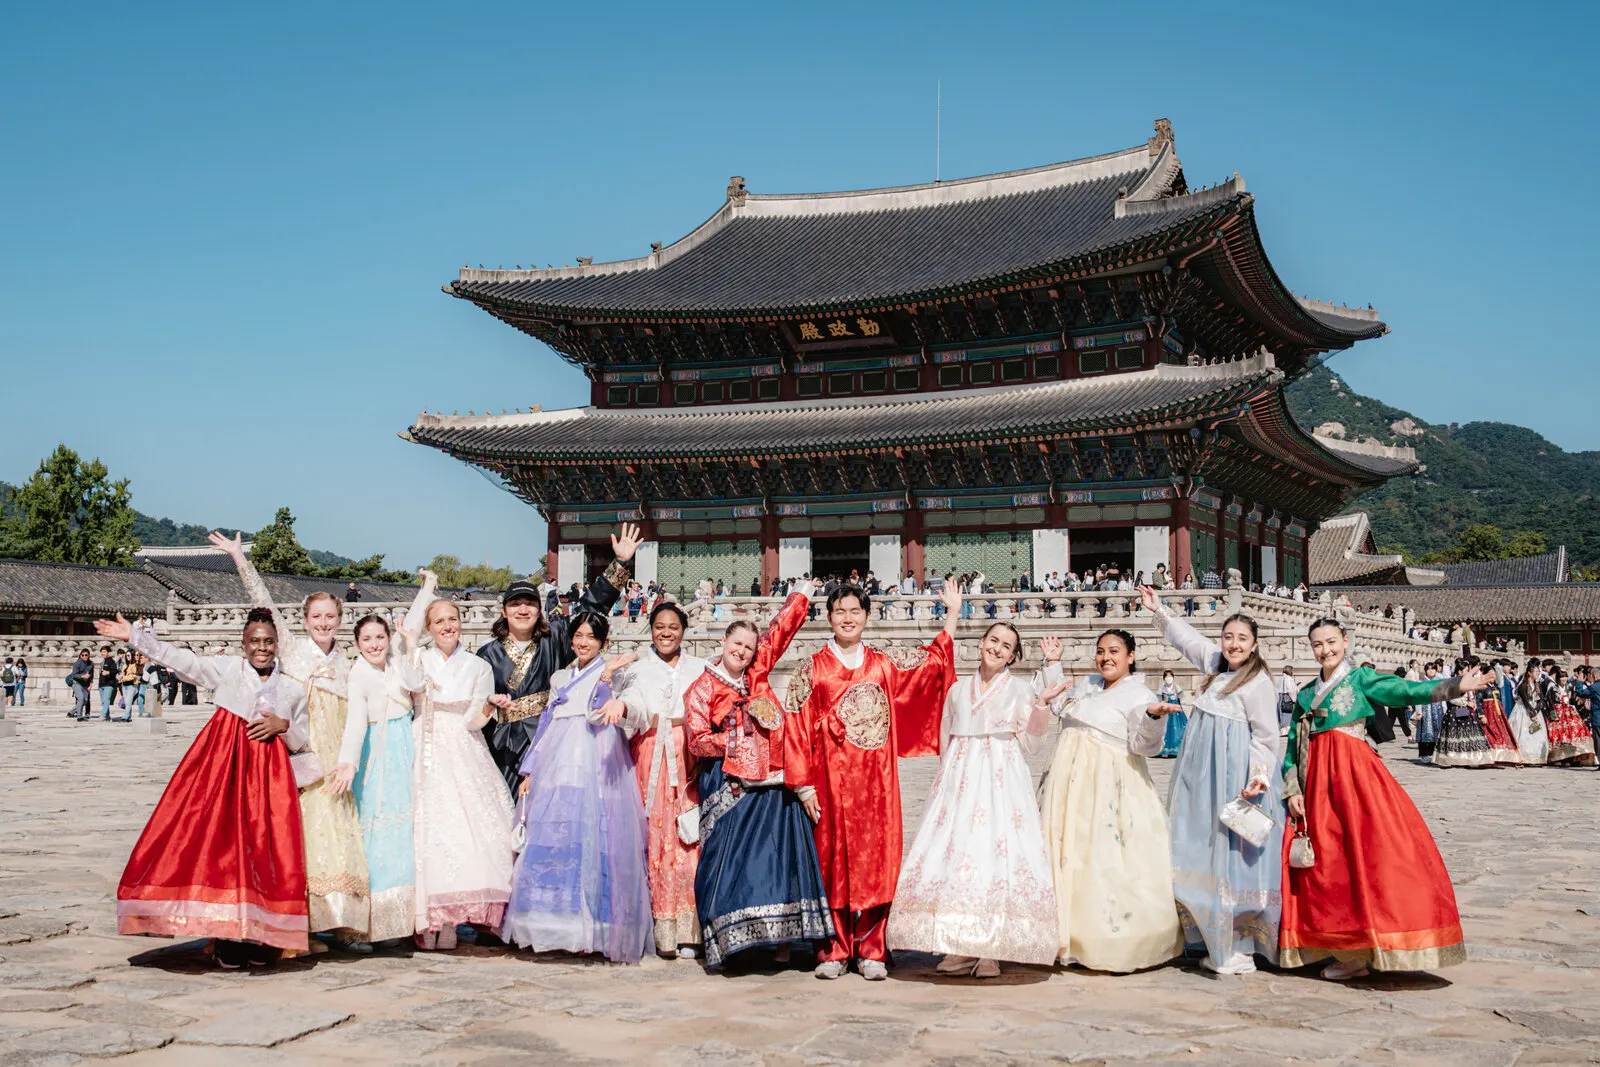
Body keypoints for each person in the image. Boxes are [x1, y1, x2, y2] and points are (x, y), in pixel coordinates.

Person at [96, 609, 309, 967]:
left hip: (270, 781)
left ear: (277, 645)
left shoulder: (291, 688)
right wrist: (134, 635)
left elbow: (302, 738)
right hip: (223, 771)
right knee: (223, 848)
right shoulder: (227, 671)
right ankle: (225, 936)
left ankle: (261, 936)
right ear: (244, 645)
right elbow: (183, 660)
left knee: (264, 851)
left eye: (268, 641)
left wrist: (283, 725)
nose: (262, 648)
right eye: (255, 641)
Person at [1282, 618, 1489, 979]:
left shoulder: (1360, 679)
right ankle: (1341, 944)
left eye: (1332, 642)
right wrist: (1294, 789)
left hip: (1354, 776)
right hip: (1316, 781)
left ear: (1345, 642)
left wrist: (1455, 685)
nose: (1325, 650)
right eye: (1318, 644)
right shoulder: (1304, 694)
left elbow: (1404, 692)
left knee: (1372, 854)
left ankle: (1374, 945)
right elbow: (1292, 748)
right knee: (1329, 863)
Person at [785, 580, 962, 980]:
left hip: (876, 783)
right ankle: (833, 948)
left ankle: (873, 947)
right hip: (827, 782)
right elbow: (795, 726)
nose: (848, 618)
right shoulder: (810, 667)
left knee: (877, 861)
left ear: (866, 616)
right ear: (828, 617)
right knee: (831, 862)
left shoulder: (883, 663)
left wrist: (952, 613)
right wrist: (804, 785)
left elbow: (931, 665)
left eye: (855, 611)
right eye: (840, 612)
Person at [214, 532, 369, 943]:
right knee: (295, 831)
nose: (323, 623)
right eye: (316, 616)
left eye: (330, 617)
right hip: (294, 751)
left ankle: (342, 918)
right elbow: (259, 599)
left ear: (340, 619)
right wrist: (239, 558)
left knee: (337, 830)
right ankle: (299, 920)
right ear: (303, 620)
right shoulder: (294, 650)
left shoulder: (349, 662)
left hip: (333, 753)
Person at [887, 624, 1064, 978]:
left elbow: (1030, 744)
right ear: (981, 643)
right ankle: (961, 942)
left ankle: (991, 949)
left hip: (1000, 777)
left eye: (1007, 646)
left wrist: (1041, 706)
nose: (997, 649)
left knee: (995, 855)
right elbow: (946, 735)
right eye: (993, 641)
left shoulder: (1019, 690)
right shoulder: (956, 690)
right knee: (960, 855)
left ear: (1014, 656)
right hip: (961, 775)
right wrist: (945, 781)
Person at [1142, 589, 1282, 975]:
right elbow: (1188, 639)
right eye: (1228, 637)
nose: (1233, 644)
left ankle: (1236, 942)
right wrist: (1160, 610)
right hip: (1198, 777)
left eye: (1242, 639)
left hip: (1232, 776)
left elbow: (1266, 738)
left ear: (1254, 646)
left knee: (1231, 855)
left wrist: (1257, 778)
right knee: (1197, 845)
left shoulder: (1258, 683)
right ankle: (1205, 934)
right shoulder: (1218, 665)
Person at [687, 581, 825, 969]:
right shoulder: (701, 688)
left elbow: (779, 631)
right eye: (737, 644)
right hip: (730, 780)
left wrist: (801, 595)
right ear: (724, 641)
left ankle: (782, 941)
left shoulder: (758, 670)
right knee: (733, 860)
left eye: (749, 647)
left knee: (777, 858)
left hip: (774, 777)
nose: (742, 652)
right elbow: (697, 741)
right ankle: (737, 940)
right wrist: (733, 741)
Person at [502, 612, 651, 962]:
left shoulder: (615, 674)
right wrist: (530, 770)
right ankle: (551, 924)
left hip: (596, 759)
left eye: (591, 637)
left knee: (593, 835)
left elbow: (597, 714)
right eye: (578, 636)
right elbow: (546, 726)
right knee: (557, 835)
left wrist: (607, 675)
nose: (583, 642)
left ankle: (594, 926)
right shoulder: (559, 677)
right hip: (558, 762)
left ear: (604, 642)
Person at [1036, 629, 1184, 973]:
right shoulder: (1088, 685)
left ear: (1130, 656)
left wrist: (1153, 718)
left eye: (1114, 651)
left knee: (1104, 858)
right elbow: (1060, 705)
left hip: (1109, 786)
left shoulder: (1139, 693)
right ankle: (1064, 933)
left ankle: (1109, 937)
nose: (1106, 657)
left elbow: (1145, 747)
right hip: (1068, 785)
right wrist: (1054, 664)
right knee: (1068, 855)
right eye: (1101, 651)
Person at [477, 525, 638, 797]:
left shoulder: (556, 636)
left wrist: (621, 563)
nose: (523, 609)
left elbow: (591, 607)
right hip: (505, 743)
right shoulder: (486, 654)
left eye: (530, 603)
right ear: (504, 611)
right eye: (515, 604)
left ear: (539, 609)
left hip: (550, 736)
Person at [407, 573, 517, 949]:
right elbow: (407, 684)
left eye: (452, 619)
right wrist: (427, 590)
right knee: (426, 827)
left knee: (464, 827)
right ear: (428, 627)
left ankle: (452, 918)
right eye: (438, 621)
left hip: (463, 743)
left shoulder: (478, 667)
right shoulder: (417, 660)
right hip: (423, 740)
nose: (447, 627)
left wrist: (488, 705)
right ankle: (426, 919)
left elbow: (475, 721)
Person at [611, 601, 709, 959]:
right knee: (652, 835)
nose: (666, 632)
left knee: (688, 837)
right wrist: (624, 708)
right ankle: (656, 928)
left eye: (673, 626)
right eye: (659, 626)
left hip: (688, 752)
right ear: (650, 629)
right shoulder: (637, 669)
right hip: (650, 752)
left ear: (684, 630)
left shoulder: (701, 667)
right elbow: (632, 705)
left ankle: (689, 930)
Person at [330, 614, 425, 944]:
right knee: (377, 829)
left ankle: (400, 922)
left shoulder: (398, 664)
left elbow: (413, 624)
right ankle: (365, 925)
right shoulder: (359, 675)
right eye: (366, 639)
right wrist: (348, 763)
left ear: (388, 639)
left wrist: (427, 588)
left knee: (405, 831)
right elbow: (356, 722)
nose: (374, 645)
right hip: (376, 753)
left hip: (405, 746)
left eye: (379, 638)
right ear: (357, 644)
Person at [1545, 670, 1597, 766]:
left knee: (1575, 732)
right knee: (1559, 734)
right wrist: (1553, 715)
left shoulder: (1569, 687)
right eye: (1561, 677)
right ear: (1558, 678)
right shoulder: (1553, 688)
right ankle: (1558, 757)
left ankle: (1573, 757)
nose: (1564, 679)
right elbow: (1550, 702)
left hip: (1569, 712)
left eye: (1565, 677)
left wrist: (1578, 698)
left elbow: (1572, 700)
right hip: (1558, 712)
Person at [1506, 659, 1548, 766]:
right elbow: (1525, 701)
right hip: (1524, 711)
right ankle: (1522, 757)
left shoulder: (1537, 685)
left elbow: (1541, 700)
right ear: (1529, 672)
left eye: (1539, 672)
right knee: (1523, 733)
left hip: (1535, 710)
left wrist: (1537, 711)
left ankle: (1535, 757)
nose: (1538, 674)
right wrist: (1532, 713)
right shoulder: (1523, 685)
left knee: (1536, 733)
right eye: (1536, 672)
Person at [1155, 670, 1186, 758]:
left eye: (1170, 676)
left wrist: (1182, 706)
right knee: (1165, 729)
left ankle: (1178, 749)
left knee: (1178, 729)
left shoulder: (1177, 687)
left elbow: (1182, 698)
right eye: (1167, 677)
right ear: (1164, 678)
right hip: (1166, 710)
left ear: (1173, 677)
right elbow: (1158, 699)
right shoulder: (1161, 689)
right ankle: (1164, 750)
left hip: (1176, 711)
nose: (1169, 678)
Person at [66, 649, 92, 720]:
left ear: (89, 655)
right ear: (80, 656)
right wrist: (82, 676)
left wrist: (90, 684)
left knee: (85, 700)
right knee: (81, 698)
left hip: (85, 684)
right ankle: (79, 716)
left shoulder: (91, 664)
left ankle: (71, 712)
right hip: (75, 682)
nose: (84, 656)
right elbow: (74, 675)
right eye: (82, 655)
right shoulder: (77, 663)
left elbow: (91, 675)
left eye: (86, 655)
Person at [97, 645, 120, 721]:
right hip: (102, 684)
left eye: (104, 652)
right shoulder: (102, 662)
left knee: (106, 700)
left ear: (108, 653)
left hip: (109, 684)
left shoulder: (111, 661)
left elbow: (115, 671)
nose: (102, 653)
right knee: (104, 701)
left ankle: (103, 715)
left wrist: (108, 672)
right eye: (102, 652)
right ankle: (107, 716)